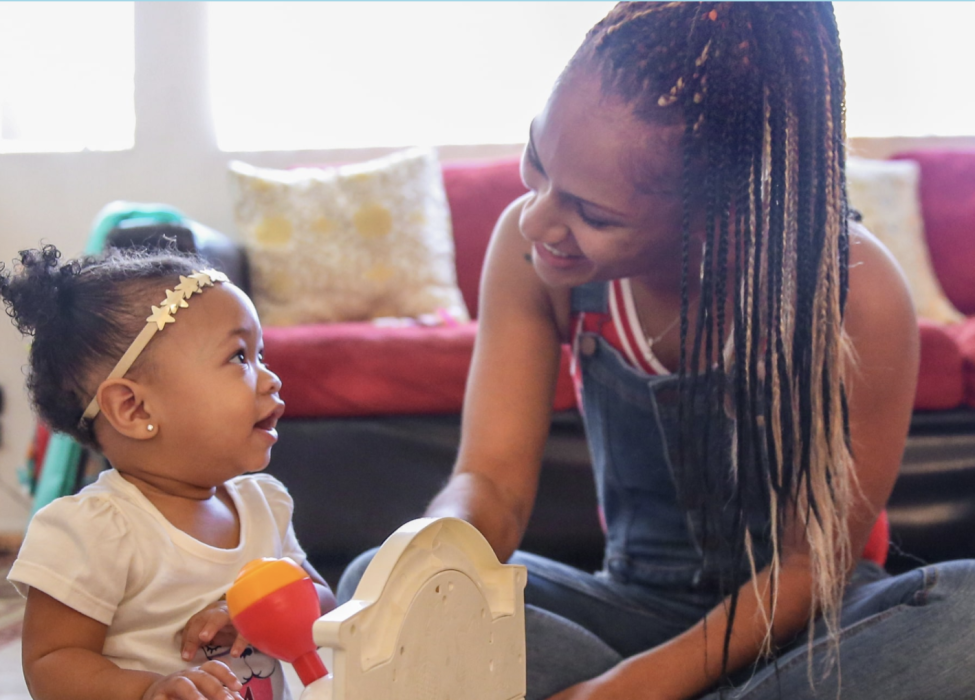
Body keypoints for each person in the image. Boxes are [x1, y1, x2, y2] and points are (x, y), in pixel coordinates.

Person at [338, 3, 975, 699]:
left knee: (964, 615)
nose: (538, 218)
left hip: (809, 627)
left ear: (723, 212)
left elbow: (808, 565)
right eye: (536, 161)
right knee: (379, 579)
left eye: (593, 213)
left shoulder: (852, 289)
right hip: (630, 611)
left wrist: (625, 691)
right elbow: (489, 484)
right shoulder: (529, 251)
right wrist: (428, 563)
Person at [2, 245, 337, 700]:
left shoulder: (264, 503)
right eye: (239, 357)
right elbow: (51, 664)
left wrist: (266, 609)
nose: (270, 378)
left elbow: (323, 600)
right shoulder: (95, 531)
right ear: (134, 407)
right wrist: (149, 690)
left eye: (263, 355)